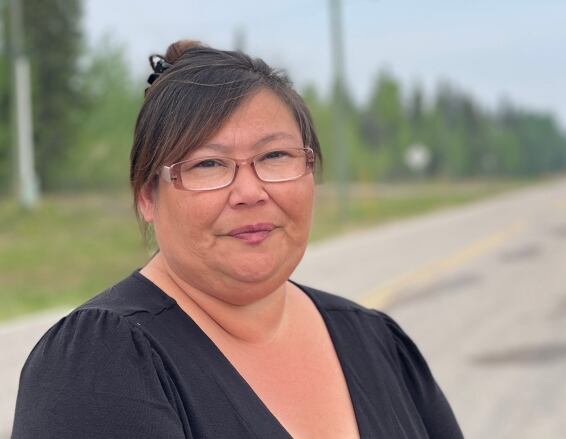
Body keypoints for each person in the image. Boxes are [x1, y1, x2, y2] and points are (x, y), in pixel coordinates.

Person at [12, 41, 463, 439]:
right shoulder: (100, 365)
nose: (250, 192)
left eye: (275, 156)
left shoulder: (375, 341)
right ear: (148, 196)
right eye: (208, 165)